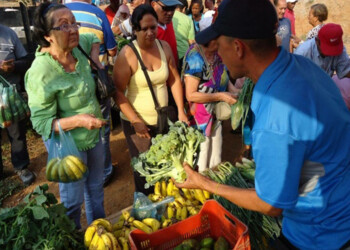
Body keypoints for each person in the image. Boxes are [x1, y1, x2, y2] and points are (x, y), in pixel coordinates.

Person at [174, 0, 350, 249]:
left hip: (317, 235)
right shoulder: (307, 68)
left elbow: (271, 204)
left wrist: (207, 184)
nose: (217, 52)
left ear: (237, 47)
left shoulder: (275, 112)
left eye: (219, 44)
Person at [25, 3, 107, 228]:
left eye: (74, 22)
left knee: (95, 191)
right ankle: (72, 241)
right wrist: (79, 120)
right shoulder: (41, 72)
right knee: (72, 202)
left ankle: (99, 235)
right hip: (68, 147)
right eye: (64, 25)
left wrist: (95, 59)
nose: (73, 29)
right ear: (47, 36)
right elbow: (41, 123)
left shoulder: (77, 45)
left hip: (93, 138)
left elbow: (93, 39)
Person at [112, 4, 188, 194]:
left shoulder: (165, 47)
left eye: (153, 27)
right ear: (135, 30)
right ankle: (148, 211)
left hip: (164, 120)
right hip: (139, 127)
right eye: (144, 29)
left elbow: (174, 80)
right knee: (145, 171)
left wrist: (181, 110)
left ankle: (169, 210)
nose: (150, 32)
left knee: (168, 166)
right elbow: (118, 92)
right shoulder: (127, 55)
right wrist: (135, 120)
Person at [66, 0, 117, 187]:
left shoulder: (57, 15)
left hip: (70, 87)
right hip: (96, 82)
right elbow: (112, 49)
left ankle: (82, 171)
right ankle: (104, 171)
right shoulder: (97, 14)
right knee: (101, 126)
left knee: (76, 127)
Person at [182, 38, 237, 172]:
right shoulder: (195, 59)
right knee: (204, 145)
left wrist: (239, 93)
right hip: (200, 113)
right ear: (210, 41)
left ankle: (214, 177)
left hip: (215, 110)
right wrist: (219, 96)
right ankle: (201, 180)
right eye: (219, 41)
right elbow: (190, 95)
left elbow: (228, 84)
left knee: (217, 140)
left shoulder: (218, 56)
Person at [0, 25, 34, 185]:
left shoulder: (8, 34)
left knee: (16, 133)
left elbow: (26, 60)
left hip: (10, 95)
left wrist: (14, 66)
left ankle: (21, 166)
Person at [151, 0, 181, 64]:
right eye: (166, 8)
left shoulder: (169, 23)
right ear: (154, 5)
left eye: (173, 8)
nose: (170, 13)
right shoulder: (149, 31)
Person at [172, 0, 195, 69]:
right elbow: (191, 41)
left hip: (169, 53)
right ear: (184, 8)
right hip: (184, 55)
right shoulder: (188, 19)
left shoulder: (167, 16)